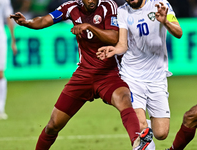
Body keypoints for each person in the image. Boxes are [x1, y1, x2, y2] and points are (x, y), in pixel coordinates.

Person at [10, 0, 153, 149]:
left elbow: (114, 37)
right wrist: (27, 22)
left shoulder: (108, 6)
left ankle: (137, 143)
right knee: (53, 125)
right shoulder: (71, 8)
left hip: (109, 74)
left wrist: (89, 26)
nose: (91, 1)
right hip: (83, 75)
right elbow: (44, 19)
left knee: (124, 99)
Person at [97, 0, 182, 149]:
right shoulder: (123, 11)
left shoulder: (161, 4)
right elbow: (123, 45)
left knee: (161, 133)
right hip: (132, 76)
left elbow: (179, 33)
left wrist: (165, 22)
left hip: (157, 77)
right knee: (140, 126)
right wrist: (114, 50)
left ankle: (147, 126)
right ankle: (143, 128)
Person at [0, 0, 17, 120]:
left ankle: (0, 108)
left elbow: (9, 17)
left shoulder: (3, 0)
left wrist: (13, 40)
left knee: (0, 73)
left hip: (0, 39)